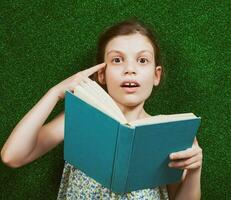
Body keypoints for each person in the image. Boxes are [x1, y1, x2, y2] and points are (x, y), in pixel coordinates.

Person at [1, 18, 203, 199]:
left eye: (142, 60)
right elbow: (12, 156)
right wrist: (55, 92)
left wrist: (194, 170)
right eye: (117, 60)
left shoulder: (167, 131)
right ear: (102, 75)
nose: (129, 69)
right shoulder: (81, 118)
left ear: (156, 75)